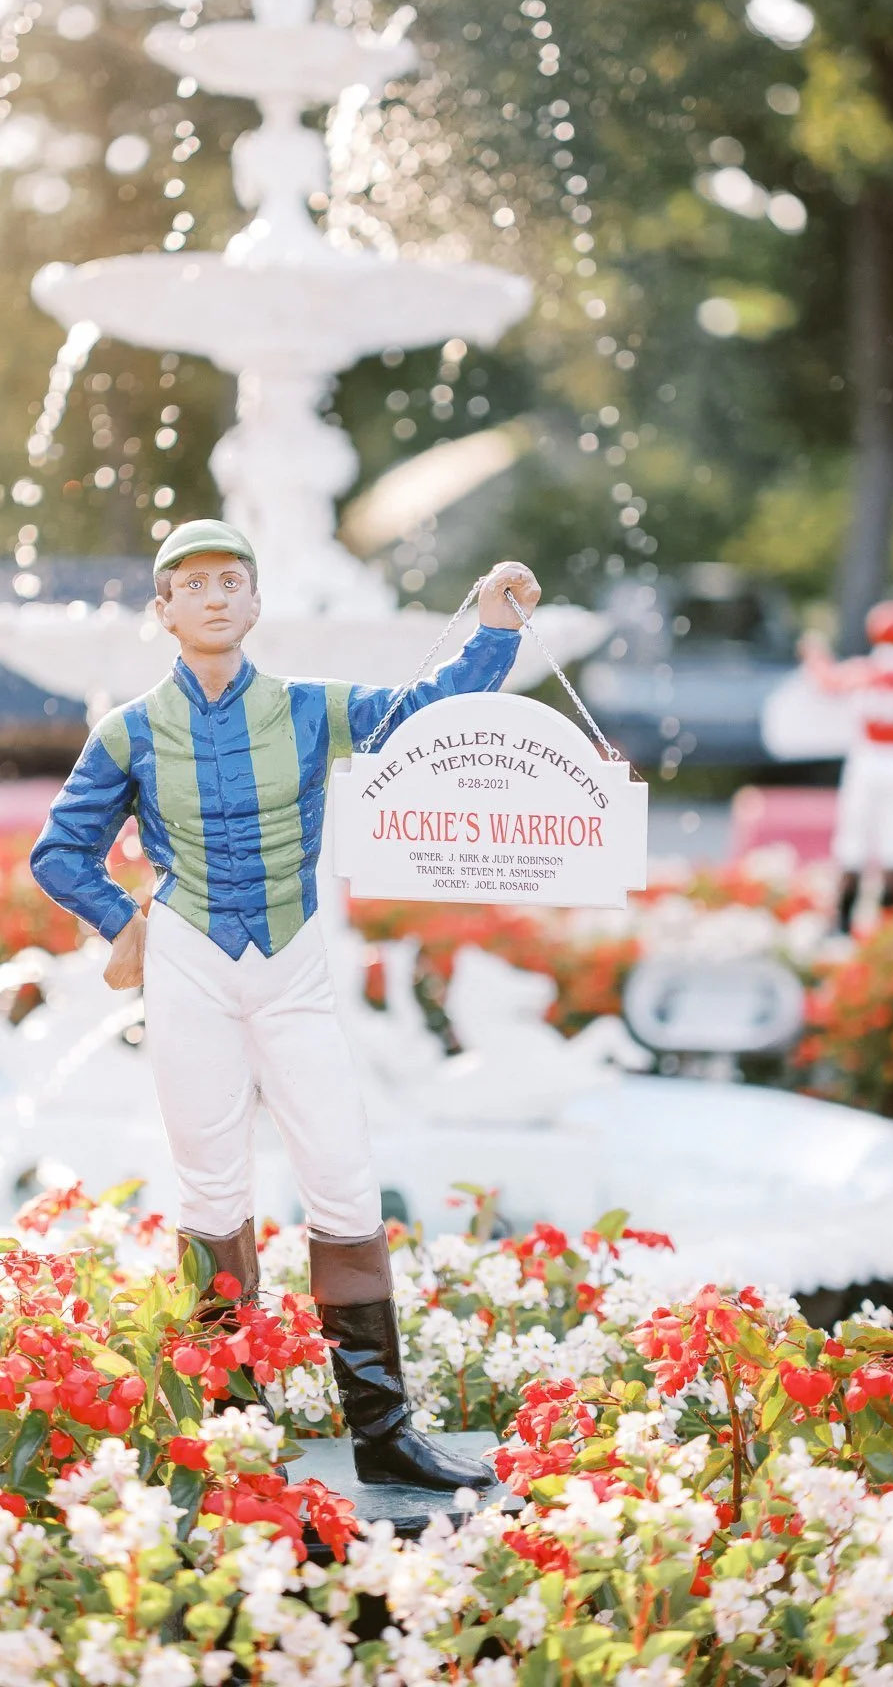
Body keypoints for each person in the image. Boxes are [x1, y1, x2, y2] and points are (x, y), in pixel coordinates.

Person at [31, 518, 539, 1492]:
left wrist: (494, 630)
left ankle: (384, 1433)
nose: (218, 597)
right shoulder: (127, 730)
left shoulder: (311, 708)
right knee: (212, 1198)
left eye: (235, 580)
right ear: (163, 609)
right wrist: (119, 922)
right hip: (187, 970)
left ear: (257, 602)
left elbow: (432, 711)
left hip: (293, 968)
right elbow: (58, 853)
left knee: (344, 1183)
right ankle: (232, 1434)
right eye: (196, 583)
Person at [801, 600, 893, 934]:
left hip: (867, 762)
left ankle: (843, 918)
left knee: (852, 841)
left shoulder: (864, 672)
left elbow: (827, 682)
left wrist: (815, 654)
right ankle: (890, 922)